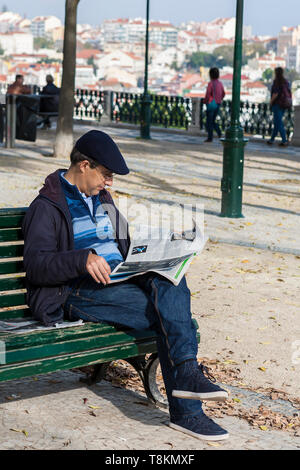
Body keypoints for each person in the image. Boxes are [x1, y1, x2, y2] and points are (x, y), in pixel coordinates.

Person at [22, 130, 229, 442]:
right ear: (84, 166)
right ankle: (188, 409)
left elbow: (126, 242)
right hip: (78, 291)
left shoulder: (103, 199)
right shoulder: (47, 206)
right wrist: (81, 259)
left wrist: (162, 248)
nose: (109, 183)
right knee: (169, 317)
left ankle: (187, 379)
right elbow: (37, 267)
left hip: (122, 277)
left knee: (172, 276)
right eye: (106, 175)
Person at [268, 67, 292, 147]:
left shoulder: (277, 82)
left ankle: (284, 141)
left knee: (279, 123)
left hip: (277, 104)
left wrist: (271, 102)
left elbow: (275, 94)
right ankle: (272, 139)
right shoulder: (286, 82)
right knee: (277, 122)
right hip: (284, 104)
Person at [203, 68, 225, 143]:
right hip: (218, 104)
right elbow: (223, 93)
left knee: (209, 121)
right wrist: (219, 99)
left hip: (211, 104)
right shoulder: (220, 83)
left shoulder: (211, 83)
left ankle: (210, 137)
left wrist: (205, 101)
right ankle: (219, 133)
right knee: (212, 121)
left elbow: (208, 94)